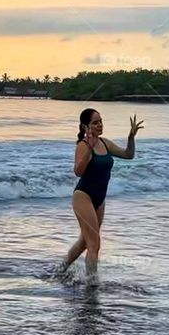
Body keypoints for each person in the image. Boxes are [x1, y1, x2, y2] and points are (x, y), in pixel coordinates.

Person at [61, 108, 143, 280]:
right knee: (94, 244)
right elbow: (77, 171)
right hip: (83, 196)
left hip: (99, 199)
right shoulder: (83, 145)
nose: (99, 125)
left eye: (100, 121)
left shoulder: (105, 143)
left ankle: (61, 269)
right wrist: (89, 150)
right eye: (95, 123)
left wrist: (131, 137)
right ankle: (92, 283)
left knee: (85, 242)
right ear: (85, 126)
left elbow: (129, 155)